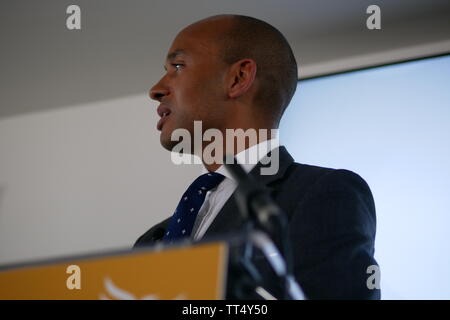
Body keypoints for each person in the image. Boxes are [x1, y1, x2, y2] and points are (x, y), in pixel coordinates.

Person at [134, 14, 380, 299]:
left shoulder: (322, 193)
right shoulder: (155, 237)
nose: (156, 90)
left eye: (177, 66)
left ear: (238, 78)